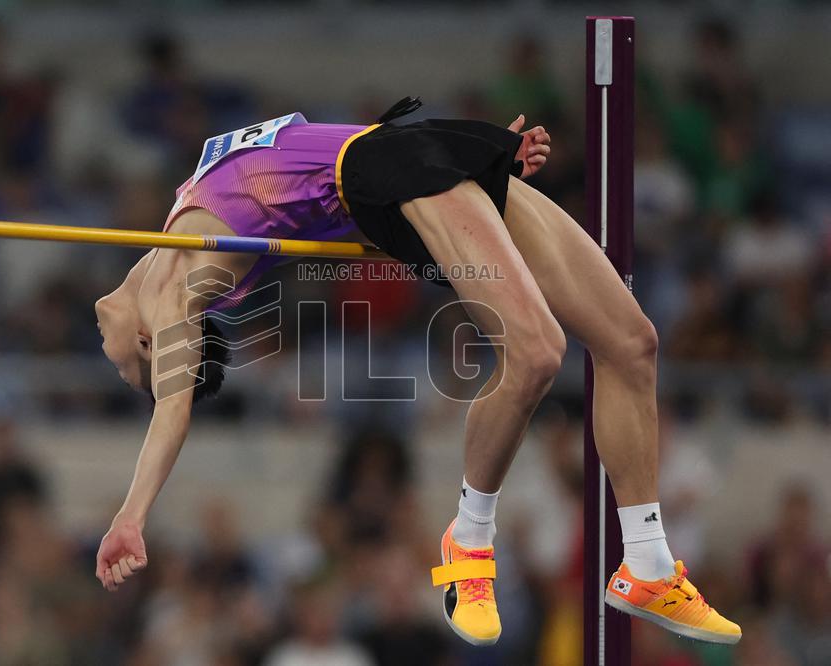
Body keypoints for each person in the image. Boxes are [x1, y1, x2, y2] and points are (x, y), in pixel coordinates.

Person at [92, 97, 741, 646]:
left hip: (412, 155)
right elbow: (172, 409)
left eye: (122, 367)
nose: (110, 351)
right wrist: (132, 515)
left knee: (632, 342)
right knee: (538, 352)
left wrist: (475, 159)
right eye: (128, 369)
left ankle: (648, 562)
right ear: (159, 345)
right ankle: (470, 544)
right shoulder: (179, 292)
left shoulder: (177, 224)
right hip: (398, 178)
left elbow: (309, 171)